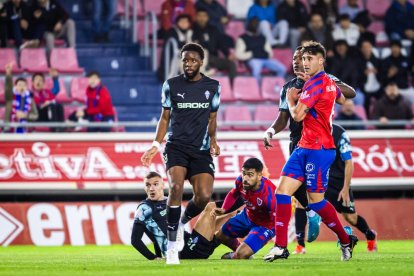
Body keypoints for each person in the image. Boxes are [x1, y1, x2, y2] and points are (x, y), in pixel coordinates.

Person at [263, 41, 358, 262]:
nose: (302, 63)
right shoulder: (306, 84)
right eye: (300, 60)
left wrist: (293, 98)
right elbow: (341, 99)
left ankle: (345, 239)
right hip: (301, 145)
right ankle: (280, 247)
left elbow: (297, 115)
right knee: (282, 193)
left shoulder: (315, 84)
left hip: (319, 148)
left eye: (307, 59)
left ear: (320, 60)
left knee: (316, 201)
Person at [141, 43, 221, 265]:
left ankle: (184, 220)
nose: (188, 64)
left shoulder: (213, 86)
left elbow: (212, 118)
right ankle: (172, 246)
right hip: (175, 146)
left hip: (201, 149)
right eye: (185, 60)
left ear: (201, 62)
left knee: (204, 196)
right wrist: (156, 145)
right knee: (176, 187)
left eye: (193, 60)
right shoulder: (171, 85)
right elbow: (164, 118)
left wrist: (213, 140)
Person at [131, 171, 240, 260]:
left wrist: (159, 254)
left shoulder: (169, 201)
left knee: (230, 216)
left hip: (192, 243)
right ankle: (242, 199)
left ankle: (239, 252)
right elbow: (135, 240)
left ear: (163, 185)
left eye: (155, 184)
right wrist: (154, 258)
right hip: (185, 251)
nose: (151, 188)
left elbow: (157, 237)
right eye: (148, 185)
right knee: (210, 207)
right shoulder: (145, 208)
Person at [326, 124, 377, 252]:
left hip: (339, 182)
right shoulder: (312, 128)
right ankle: (343, 236)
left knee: (351, 217)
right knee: (317, 210)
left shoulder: (340, 133)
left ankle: (370, 235)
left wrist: (345, 188)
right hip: (322, 180)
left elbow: (349, 162)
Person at [214, 158, 277, 260]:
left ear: (260, 175)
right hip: (247, 215)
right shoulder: (240, 181)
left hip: (265, 225)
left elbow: (279, 219)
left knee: (241, 255)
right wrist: (224, 209)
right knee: (221, 235)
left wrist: (279, 244)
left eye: (250, 174)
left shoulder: (269, 196)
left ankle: (238, 254)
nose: (245, 178)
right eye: (244, 173)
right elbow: (233, 194)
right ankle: (240, 251)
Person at [235, 17, 287, 85]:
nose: (256, 26)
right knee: (256, 70)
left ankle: (276, 85)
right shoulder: (242, 38)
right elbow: (239, 54)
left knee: (282, 68)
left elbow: (269, 53)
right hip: (253, 59)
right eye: (254, 24)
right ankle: (259, 88)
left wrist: (265, 54)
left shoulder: (263, 37)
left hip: (265, 59)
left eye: (257, 25)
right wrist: (252, 54)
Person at [192, 8, 236, 85]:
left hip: (213, 58)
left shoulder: (213, 29)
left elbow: (221, 43)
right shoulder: (192, 29)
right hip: (199, 59)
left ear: (207, 18)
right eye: (199, 16)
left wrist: (228, 54)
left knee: (231, 64)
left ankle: (232, 88)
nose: (202, 18)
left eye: (204, 16)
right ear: (196, 17)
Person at [4, 62, 38, 133]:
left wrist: (25, 116)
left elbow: (35, 115)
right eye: (19, 85)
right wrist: (8, 74)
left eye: (24, 85)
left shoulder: (30, 100)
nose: (22, 87)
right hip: (10, 129)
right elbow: (8, 88)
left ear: (26, 87)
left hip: (27, 129)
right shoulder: (10, 97)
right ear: (15, 87)